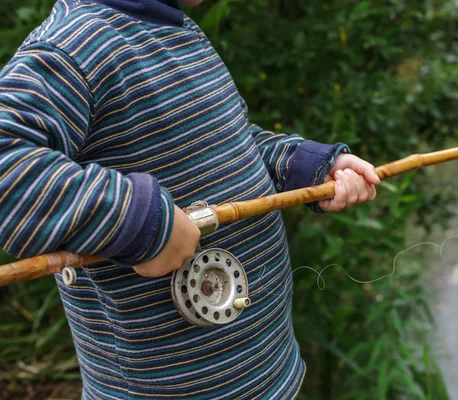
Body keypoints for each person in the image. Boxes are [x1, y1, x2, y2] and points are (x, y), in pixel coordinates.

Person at [0, 0, 380, 398]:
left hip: (265, 375)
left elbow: (230, 141)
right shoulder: (76, 45)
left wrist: (304, 166)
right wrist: (142, 224)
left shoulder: (177, 29)